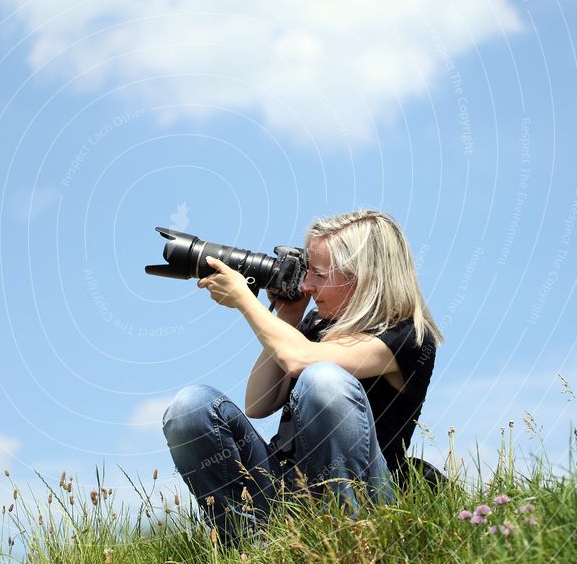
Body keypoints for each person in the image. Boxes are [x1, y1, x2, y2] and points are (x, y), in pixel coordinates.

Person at [161, 210, 443, 546]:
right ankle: (249, 548)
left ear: (364, 278)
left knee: (323, 378)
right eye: (307, 271)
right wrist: (289, 317)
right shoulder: (314, 328)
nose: (307, 285)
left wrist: (245, 303)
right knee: (190, 407)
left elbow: (301, 361)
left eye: (320, 275)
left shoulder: (406, 335)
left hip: (365, 495)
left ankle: (348, 543)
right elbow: (258, 403)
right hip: (287, 490)